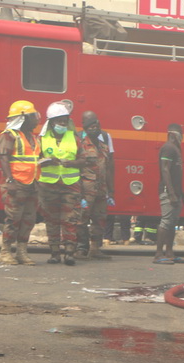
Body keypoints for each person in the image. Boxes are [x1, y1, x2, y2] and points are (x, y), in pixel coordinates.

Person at [38, 101, 86, 266]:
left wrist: (71, 163)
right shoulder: (42, 139)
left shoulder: (74, 138)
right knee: (51, 220)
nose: (63, 124)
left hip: (70, 185)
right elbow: (35, 160)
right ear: (51, 122)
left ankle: (69, 253)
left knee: (70, 219)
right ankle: (54, 254)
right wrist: (45, 161)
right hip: (48, 185)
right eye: (60, 121)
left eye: (65, 121)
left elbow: (84, 160)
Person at [0, 101, 41, 265]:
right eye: (33, 116)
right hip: (16, 184)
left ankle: (21, 252)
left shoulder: (32, 137)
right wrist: (10, 180)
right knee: (13, 219)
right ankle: (5, 252)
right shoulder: (9, 135)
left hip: (32, 184)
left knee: (29, 219)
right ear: (23, 117)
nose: (36, 119)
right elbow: (3, 158)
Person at [75, 110, 114, 260]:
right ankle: (81, 248)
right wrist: (78, 190)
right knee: (81, 219)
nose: (94, 126)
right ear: (83, 125)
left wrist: (111, 191)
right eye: (90, 124)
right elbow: (76, 167)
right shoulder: (78, 141)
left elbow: (109, 166)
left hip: (101, 189)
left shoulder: (104, 140)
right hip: (85, 189)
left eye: (95, 122)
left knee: (100, 218)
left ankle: (95, 248)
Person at [153, 124, 184, 264]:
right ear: (174, 134)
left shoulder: (175, 149)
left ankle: (169, 253)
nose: (182, 137)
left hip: (175, 193)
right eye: (181, 133)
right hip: (168, 192)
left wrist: (183, 196)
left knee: (172, 222)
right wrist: (171, 193)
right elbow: (165, 170)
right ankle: (158, 254)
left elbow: (176, 176)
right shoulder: (168, 148)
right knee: (166, 221)